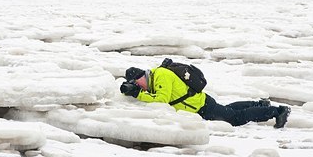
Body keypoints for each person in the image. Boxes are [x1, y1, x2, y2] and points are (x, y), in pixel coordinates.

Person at [120, 65, 291, 128]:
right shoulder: (155, 77)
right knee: (230, 109)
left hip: (202, 107)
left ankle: (278, 111)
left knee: (235, 118)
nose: (138, 86)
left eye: (137, 83)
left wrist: (139, 94)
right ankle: (261, 105)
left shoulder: (161, 76)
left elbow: (162, 100)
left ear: (140, 77)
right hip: (200, 104)